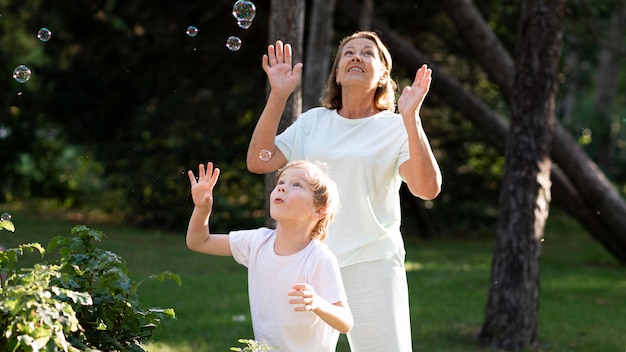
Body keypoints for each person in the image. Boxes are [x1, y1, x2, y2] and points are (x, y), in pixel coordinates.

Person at [246, 31, 442, 351]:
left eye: (368, 54)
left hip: (372, 262)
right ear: (337, 74)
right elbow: (259, 160)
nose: (356, 57)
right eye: (348, 53)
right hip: (311, 261)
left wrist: (412, 119)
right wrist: (278, 95)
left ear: (382, 75)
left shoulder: (395, 127)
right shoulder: (313, 122)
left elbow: (427, 189)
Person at [186, 160, 353, 351]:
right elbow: (199, 242)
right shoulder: (258, 242)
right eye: (280, 183)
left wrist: (317, 303)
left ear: (319, 210)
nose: (282, 188)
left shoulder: (319, 258)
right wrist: (202, 209)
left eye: (296, 184)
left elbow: (345, 322)